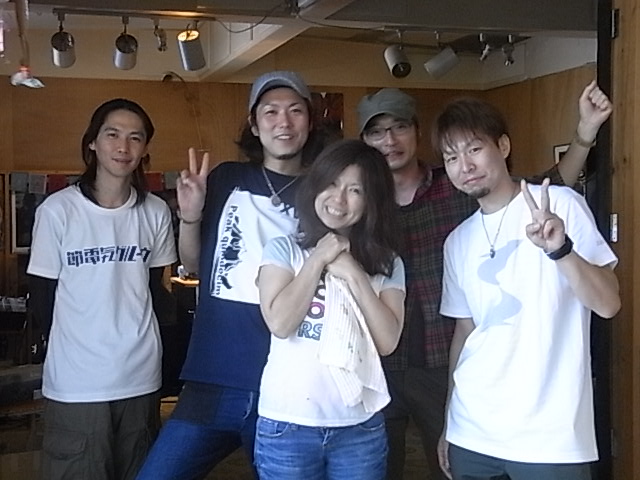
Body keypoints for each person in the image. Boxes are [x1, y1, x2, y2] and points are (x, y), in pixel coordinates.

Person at [356, 81, 613, 480]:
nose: (389, 140)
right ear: (364, 142)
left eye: (399, 127)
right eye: (376, 132)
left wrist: (584, 134)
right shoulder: (359, 200)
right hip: (381, 361)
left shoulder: (457, 188)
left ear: (416, 132)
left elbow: (540, 190)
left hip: (443, 364)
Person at [136, 71, 325, 480]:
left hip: (286, 384)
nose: (284, 121)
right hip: (212, 377)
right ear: (254, 125)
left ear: (310, 123)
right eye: (270, 112)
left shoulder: (324, 193)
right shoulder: (226, 179)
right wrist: (190, 216)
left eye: (295, 111)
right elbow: (193, 264)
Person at [434, 96, 620, 480]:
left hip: (549, 438)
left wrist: (560, 250)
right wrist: (450, 421)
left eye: (474, 149)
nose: (464, 166)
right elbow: (465, 332)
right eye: (451, 157)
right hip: (471, 432)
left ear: (503, 146)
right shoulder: (457, 241)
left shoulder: (562, 206)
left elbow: (608, 304)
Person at [27, 98, 177, 480]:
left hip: (140, 378)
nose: (123, 147)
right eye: (112, 135)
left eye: (135, 138)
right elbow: (43, 298)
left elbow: (156, 292)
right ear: (92, 142)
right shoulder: (57, 211)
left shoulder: (155, 211)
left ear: (144, 149)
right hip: (77, 383)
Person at [254, 139, 406, 479]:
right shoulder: (283, 249)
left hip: (359, 428)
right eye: (332, 183)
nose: (339, 199)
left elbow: (387, 341)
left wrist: (353, 273)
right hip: (287, 426)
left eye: (356, 190)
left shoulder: (387, 262)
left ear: (371, 201)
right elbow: (280, 323)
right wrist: (319, 258)